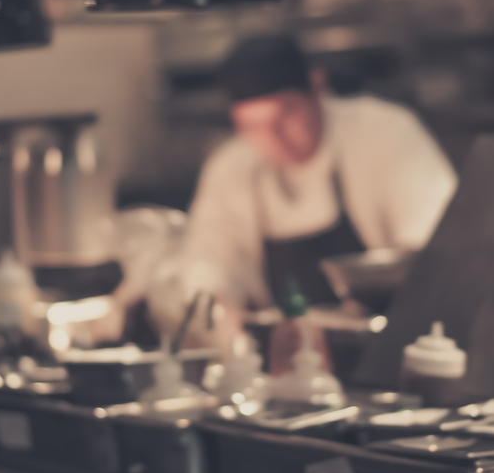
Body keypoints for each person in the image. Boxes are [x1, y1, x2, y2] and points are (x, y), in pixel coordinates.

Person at [150, 35, 458, 351]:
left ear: (317, 84)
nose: (274, 138)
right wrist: (228, 334)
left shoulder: (383, 131)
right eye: (252, 125)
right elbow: (208, 267)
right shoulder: (232, 167)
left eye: (285, 115)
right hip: (289, 360)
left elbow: (435, 248)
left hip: (391, 347)